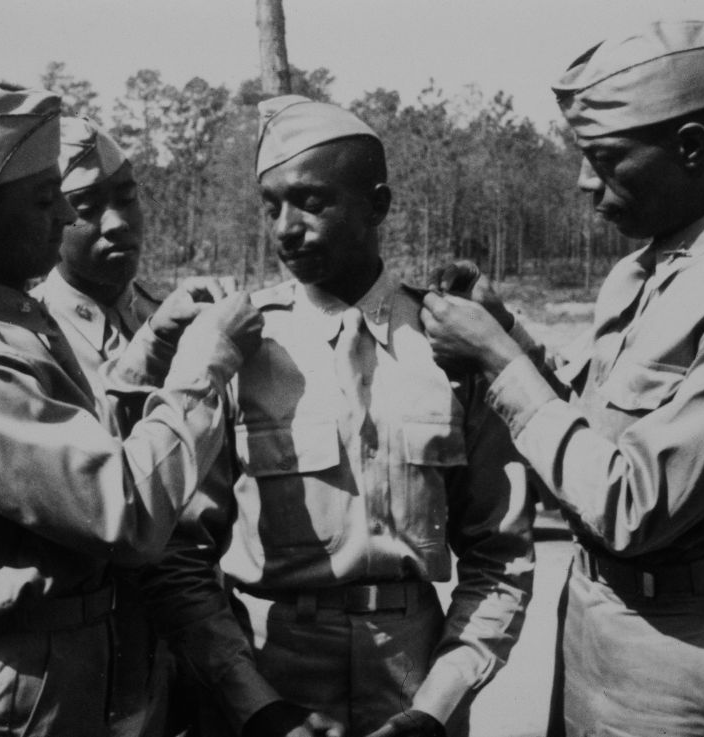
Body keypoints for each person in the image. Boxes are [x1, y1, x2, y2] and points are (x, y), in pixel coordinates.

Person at [420, 21, 704, 737]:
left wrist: (497, 359)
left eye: (606, 158)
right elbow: (589, 423)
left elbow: (631, 503)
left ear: (690, 148)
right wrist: (507, 329)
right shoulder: (640, 272)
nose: (586, 183)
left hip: (678, 646)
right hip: (590, 617)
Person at [0, 79, 261, 736]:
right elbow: (124, 511)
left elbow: (70, 453)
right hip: (11, 701)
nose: (66, 220)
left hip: (47, 683)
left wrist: (152, 349)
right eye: (48, 200)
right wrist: (204, 362)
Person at [140, 96, 536, 737]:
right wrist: (253, 705)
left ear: (377, 205)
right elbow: (180, 557)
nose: (285, 229)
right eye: (271, 207)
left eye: (311, 202)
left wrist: (436, 708)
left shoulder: (449, 343)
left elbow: (501, 557)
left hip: (415, 682)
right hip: (273, 684)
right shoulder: (240, 345)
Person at [32, 116, 230, 736]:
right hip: (85, 654)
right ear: (49, 218)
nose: (118, 222)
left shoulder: (173, 314)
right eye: (86, 206)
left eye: (128, 196)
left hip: (187, 635)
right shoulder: (30, 335)